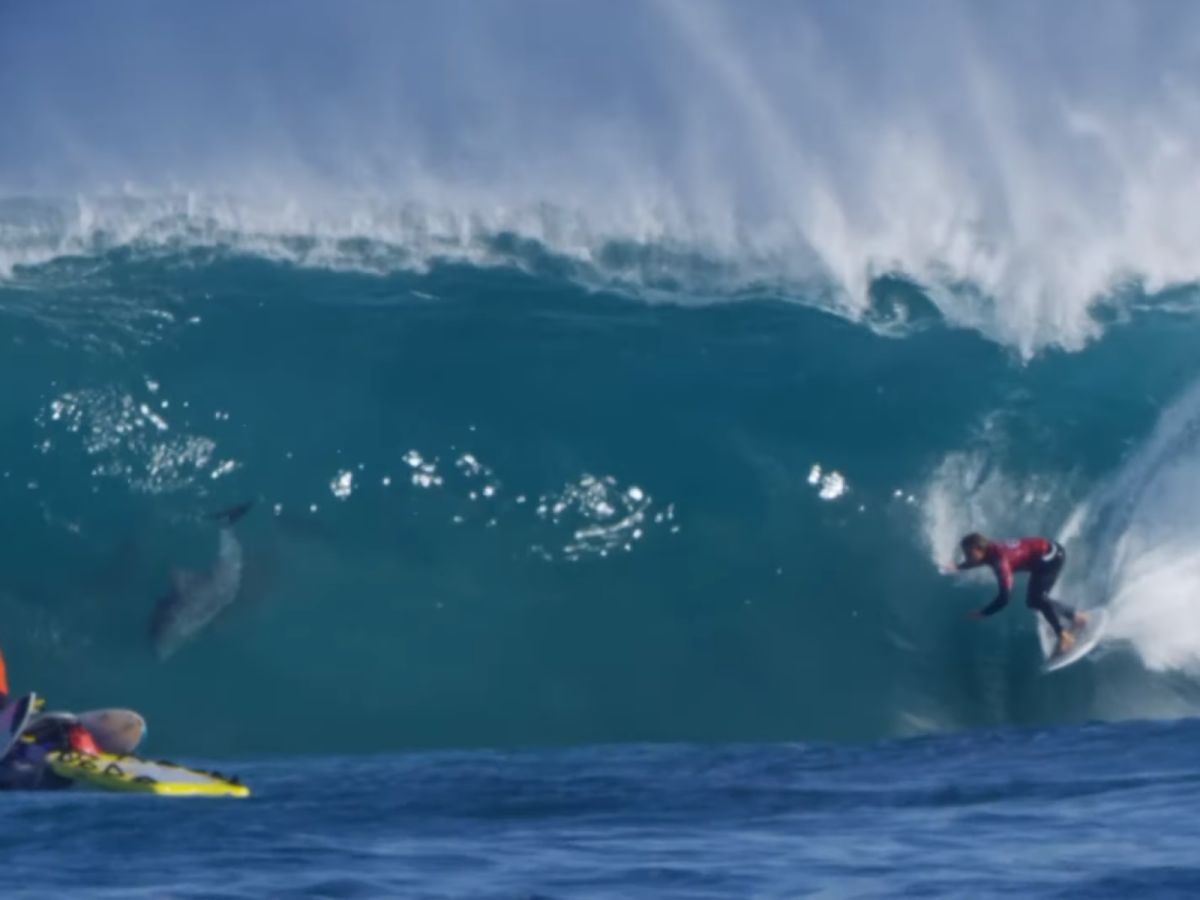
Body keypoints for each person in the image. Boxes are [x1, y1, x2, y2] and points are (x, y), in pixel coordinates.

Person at [943, 532, 1088, 656]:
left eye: (968, 553)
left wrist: (984, 612)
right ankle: (1076, 617)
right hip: (1044, 555)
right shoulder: (989, 550)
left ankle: (1064, 634)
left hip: (1051, 557)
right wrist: (959, 566)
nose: (967, 556)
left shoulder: (1000, 562)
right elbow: (978, 561)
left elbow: (1005, 597)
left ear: (979, 549)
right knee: (1034, 601)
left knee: (1037, 599)